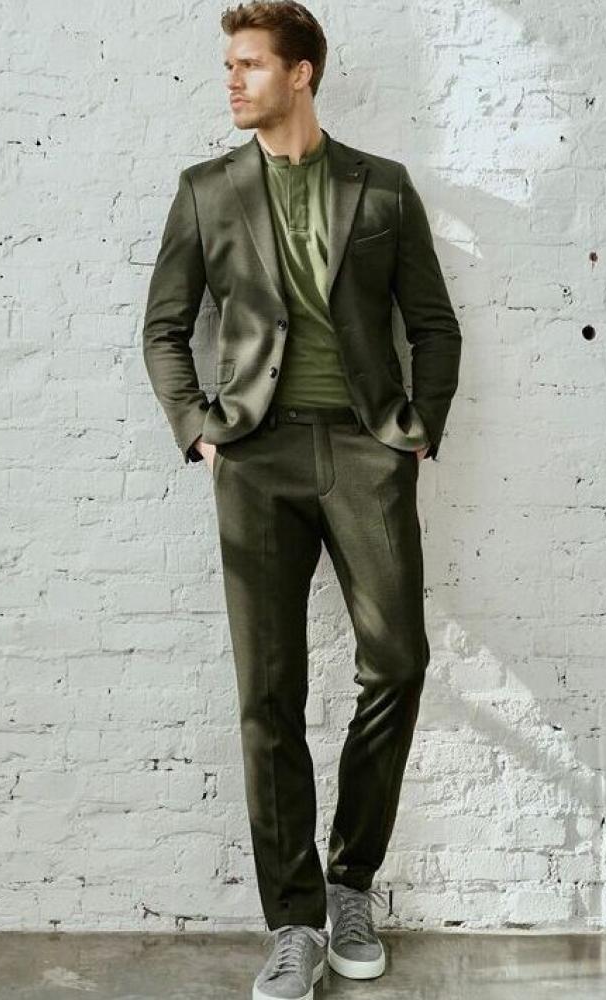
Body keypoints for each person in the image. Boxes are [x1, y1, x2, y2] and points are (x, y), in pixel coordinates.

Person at [142, 3, 462, 997]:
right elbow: (164, 328)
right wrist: (199, 428)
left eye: (249, 64)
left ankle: (349, 882)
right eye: (229, 65)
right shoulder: (206, 191)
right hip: (255, 458)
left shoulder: (382, 186)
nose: (231, 80)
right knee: (267, 693)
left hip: (365, 451)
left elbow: (433, 323)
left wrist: (417, 426)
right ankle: (294, 921)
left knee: (397, 662)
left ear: (301, 74)